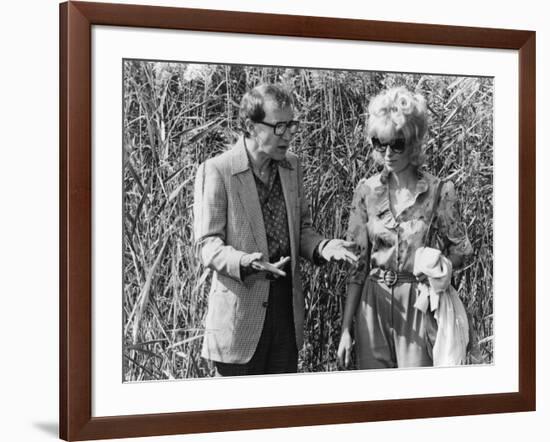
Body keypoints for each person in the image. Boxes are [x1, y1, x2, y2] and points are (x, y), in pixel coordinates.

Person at [194, 83, 357, 376]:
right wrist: (246, 262)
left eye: (291, 125)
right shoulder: (218, 170)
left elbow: (302, 229)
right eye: (279, 127)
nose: (289, 136)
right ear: (251, 127)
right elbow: (207, 245)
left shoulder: (291, 166)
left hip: (285, 316)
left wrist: (322, 247)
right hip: (238, 324)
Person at [337, 86, 473, 369]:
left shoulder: (439, 191)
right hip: (371, 304)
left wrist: (440, 265)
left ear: (413, 142)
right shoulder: (366, 191)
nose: (387, 153)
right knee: (375, 401)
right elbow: (356, 266)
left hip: (418, 301)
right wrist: (346, 329)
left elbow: (462, 249)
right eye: (379, 143)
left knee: (416, 397)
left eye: (397, 144)